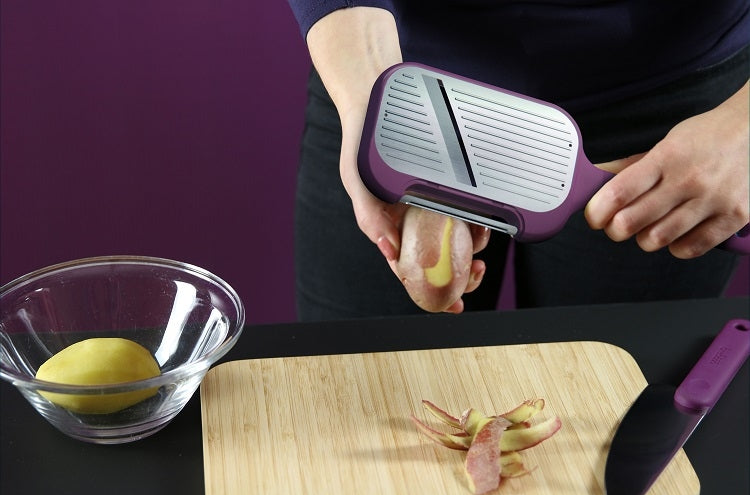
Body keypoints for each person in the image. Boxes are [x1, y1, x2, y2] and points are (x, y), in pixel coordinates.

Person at [287, 1, 750, 321]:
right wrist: (372, 98)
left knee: (611, 404)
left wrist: (742, 125)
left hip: (672, 102)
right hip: (398, 85)